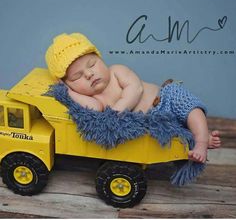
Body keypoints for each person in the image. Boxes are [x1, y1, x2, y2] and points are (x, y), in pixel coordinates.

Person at [45, 33, 221, 163]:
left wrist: (119, 108)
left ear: (100, 59)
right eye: (77, 77)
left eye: (92, 64)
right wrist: (67, 91)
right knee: (175, 135)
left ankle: (201, 142)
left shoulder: (116, 71)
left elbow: (135, 89)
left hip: (165, 98)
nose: (90, 74)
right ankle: (198, 136)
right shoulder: (96, 98)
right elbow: (94, 108)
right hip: (155, 120)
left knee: (192, 110)